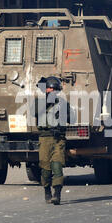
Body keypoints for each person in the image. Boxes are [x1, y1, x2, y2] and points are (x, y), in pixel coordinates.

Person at [36, 76, 72, 205]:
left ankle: (57, 193)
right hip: (44, 139)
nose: (52, 92)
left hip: (58, 139)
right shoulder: (39, 103)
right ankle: (47, 190)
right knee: (45, 168)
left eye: (55, 90)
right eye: (50, 89)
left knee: (57, 165)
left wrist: (63, 115)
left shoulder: (62, 103)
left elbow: (71, 118)